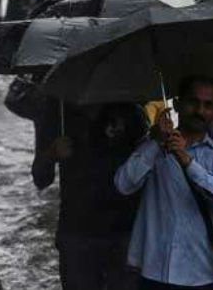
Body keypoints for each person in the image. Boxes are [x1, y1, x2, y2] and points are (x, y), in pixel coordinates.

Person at [115, 76, 213, 290]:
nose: (199, 110)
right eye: (193, 102)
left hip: (203, 273)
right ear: (178, 104)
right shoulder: (153, 146)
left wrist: (185, 159)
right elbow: (123, 184)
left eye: (208, 105)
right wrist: (156, 144)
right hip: (155, 271)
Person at [33, 99, 148, 290]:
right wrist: (51, 154)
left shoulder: (131, 111)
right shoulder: (58, 111)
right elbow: (40, 178)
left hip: (123, 231)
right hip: (78, 232)